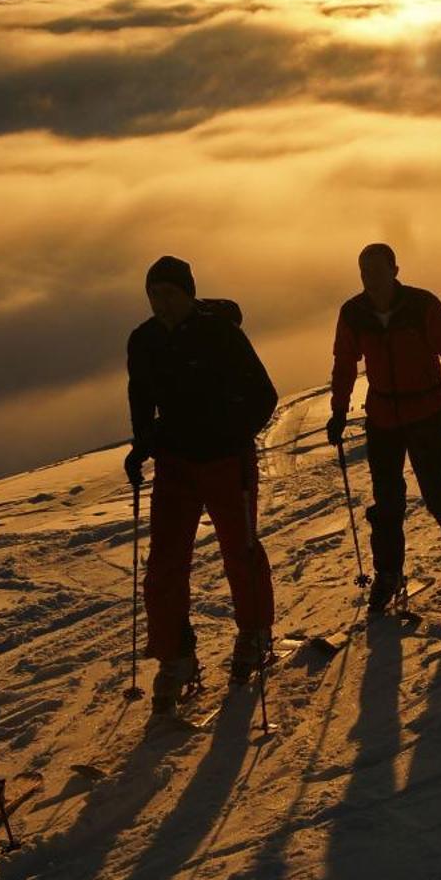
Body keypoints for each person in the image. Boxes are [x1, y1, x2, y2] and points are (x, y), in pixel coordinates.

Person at [125, 256, 279, 719]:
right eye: (154, 294)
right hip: (176, 464)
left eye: (169, 293)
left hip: (225, 460)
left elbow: (264, 395)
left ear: (188, 293)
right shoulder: (144, 340)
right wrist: (142, 445)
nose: (160, 303)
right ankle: (176, 655)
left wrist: (237, 435)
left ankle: (254, 633)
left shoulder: (220, 333)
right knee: (165, 565)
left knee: (240, 549)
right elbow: (140, 396)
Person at [326, 243, 441, 612]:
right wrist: (339, 410)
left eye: (376, 271)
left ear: (394, 270)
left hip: (426, 412)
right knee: (388, 502)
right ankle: (388, 573)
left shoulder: (421, 305)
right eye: (364, 272)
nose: (370, 279)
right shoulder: (354, 313)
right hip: (383, 419)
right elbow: (345, 365)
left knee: (435, 490)